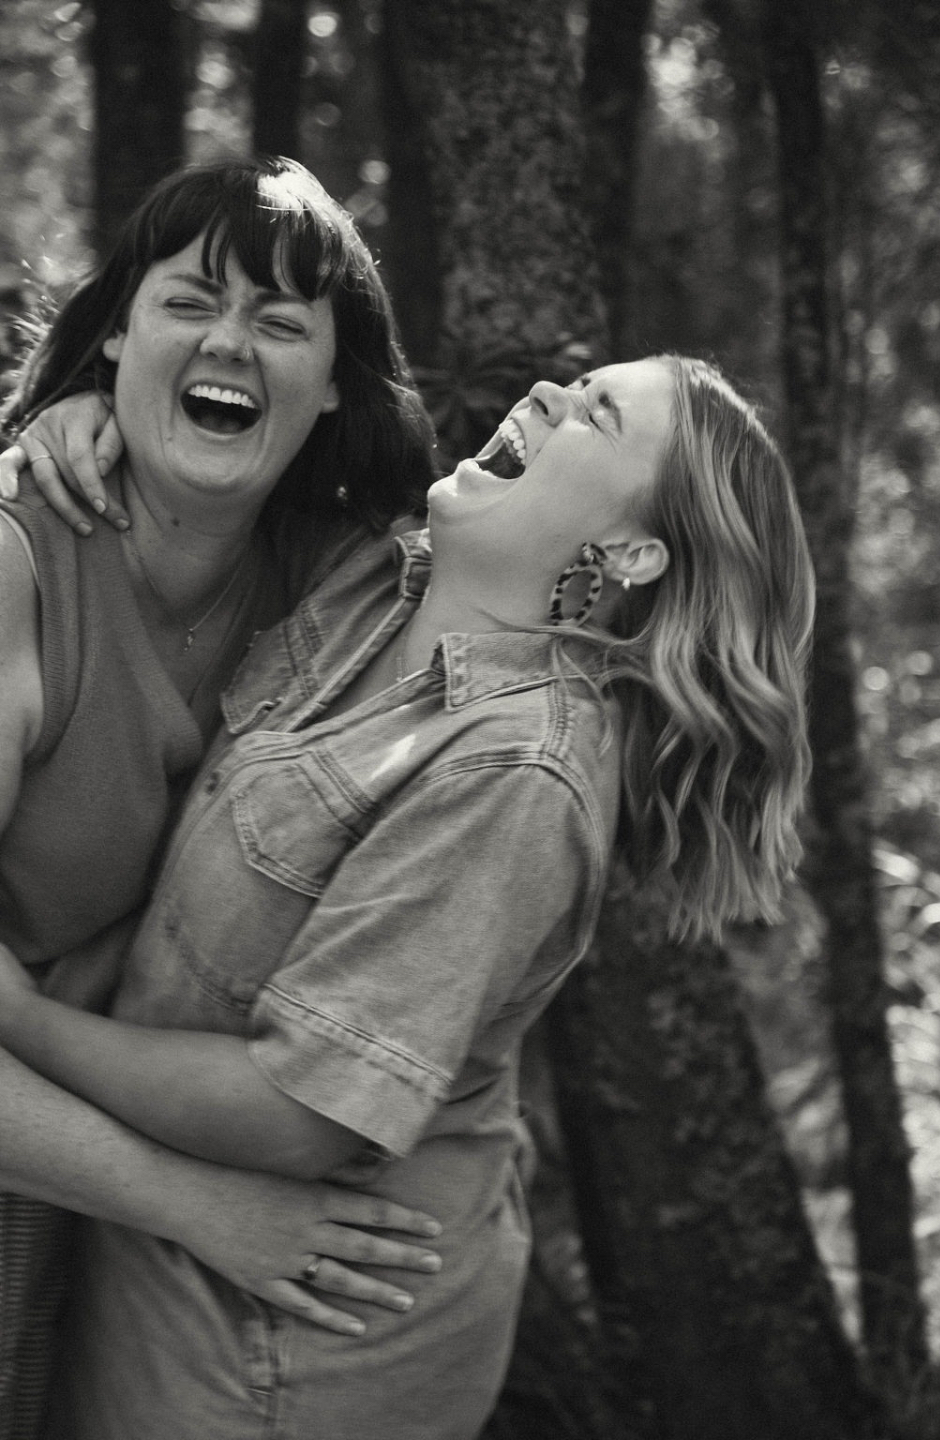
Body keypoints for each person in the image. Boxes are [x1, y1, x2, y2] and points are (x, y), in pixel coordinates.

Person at [0, 350, 816, 1438]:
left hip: (288, 1337)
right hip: (167, 1248)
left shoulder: (517, 774)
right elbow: (199, 487)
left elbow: (297, 1116)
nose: (548, 395)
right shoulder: (375, 580)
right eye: (575, 384)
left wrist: (22, 1021)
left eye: (598, 414)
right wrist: (88, 419)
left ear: (628, 554)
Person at [0, 157, 448, 1438]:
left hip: (70, 1190)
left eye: (281, 322)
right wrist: (199, 1206)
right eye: (188, 302)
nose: (229, 343)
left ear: (333, 386)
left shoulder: (337, 586)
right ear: (117, 335)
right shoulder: (17, 561)